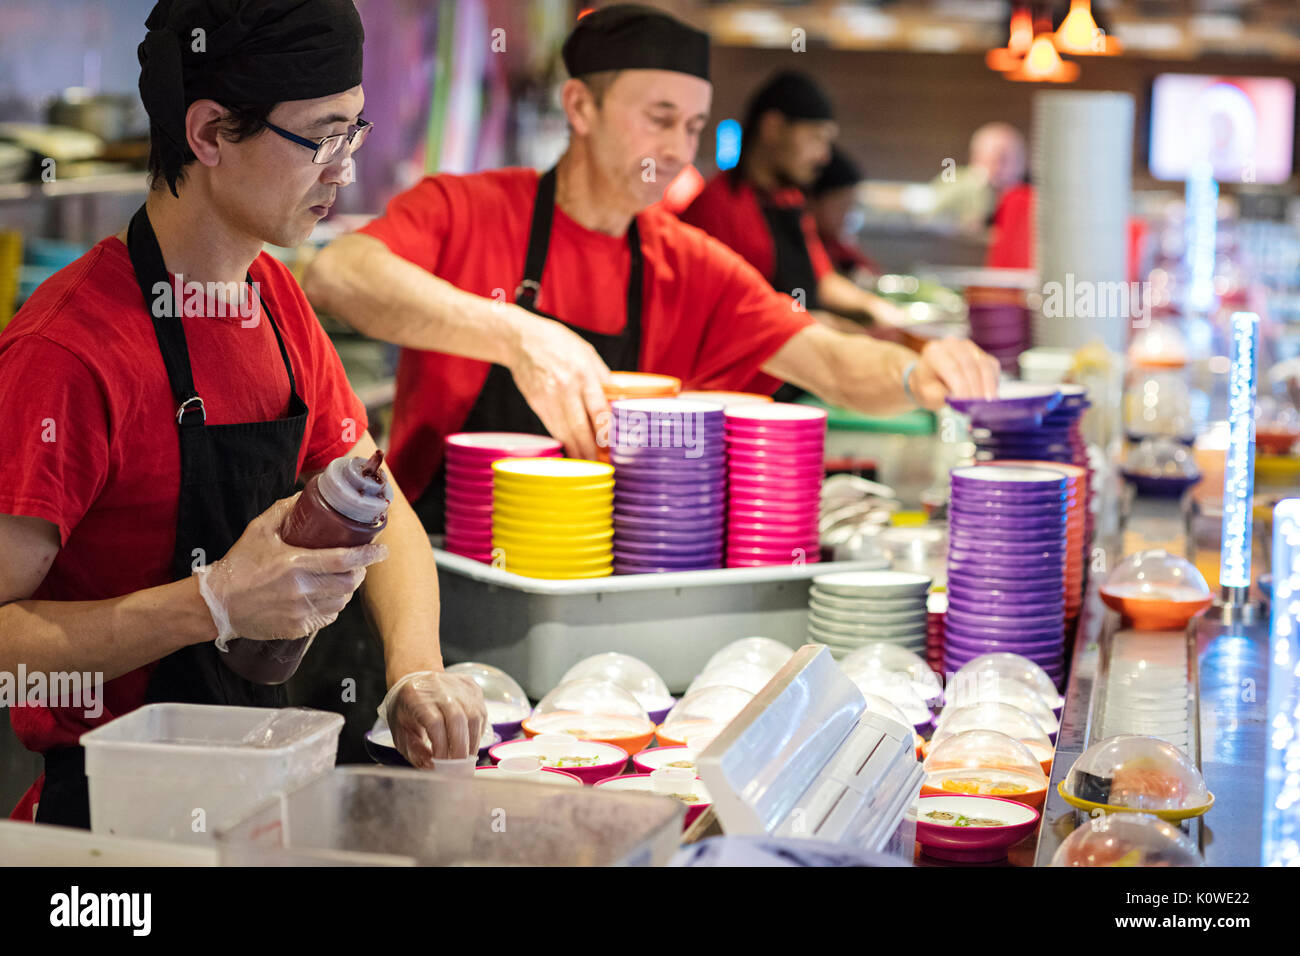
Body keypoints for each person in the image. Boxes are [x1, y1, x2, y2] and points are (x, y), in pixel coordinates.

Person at [0, 0, 485, 828]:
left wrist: (417, 670)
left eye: (354, 132)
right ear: (210, 133)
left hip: (265, 791)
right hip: (118, 820)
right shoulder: (68, 352)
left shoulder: (273, 299)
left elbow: (377, 493)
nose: (345, 170)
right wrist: (211, 603)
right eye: (322, 137)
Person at [305, 5, 998, 528]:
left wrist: (918, 374)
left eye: (693, 127)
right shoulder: (471, 208)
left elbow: (831, 364)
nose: (676, 149)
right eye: (659, 118)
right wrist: (518, 335)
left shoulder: (691, 265)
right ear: (580, 105)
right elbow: (339, 274)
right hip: (441, 562)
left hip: (618, 572)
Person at [680, 70, 906, 332]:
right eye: (815, 138)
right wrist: (830, 327)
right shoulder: (716, 207)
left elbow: (822, 279)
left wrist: (876, 308)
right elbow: (732, 314)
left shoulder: (790, 200)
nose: (823, 157)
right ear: (772, 127)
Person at [807, 147, 882, 281]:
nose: (848, 214)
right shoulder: (805, 239)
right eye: (842, 204)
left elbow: (871, 272)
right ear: (811, 201)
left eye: (851, 205)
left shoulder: (834, 243)